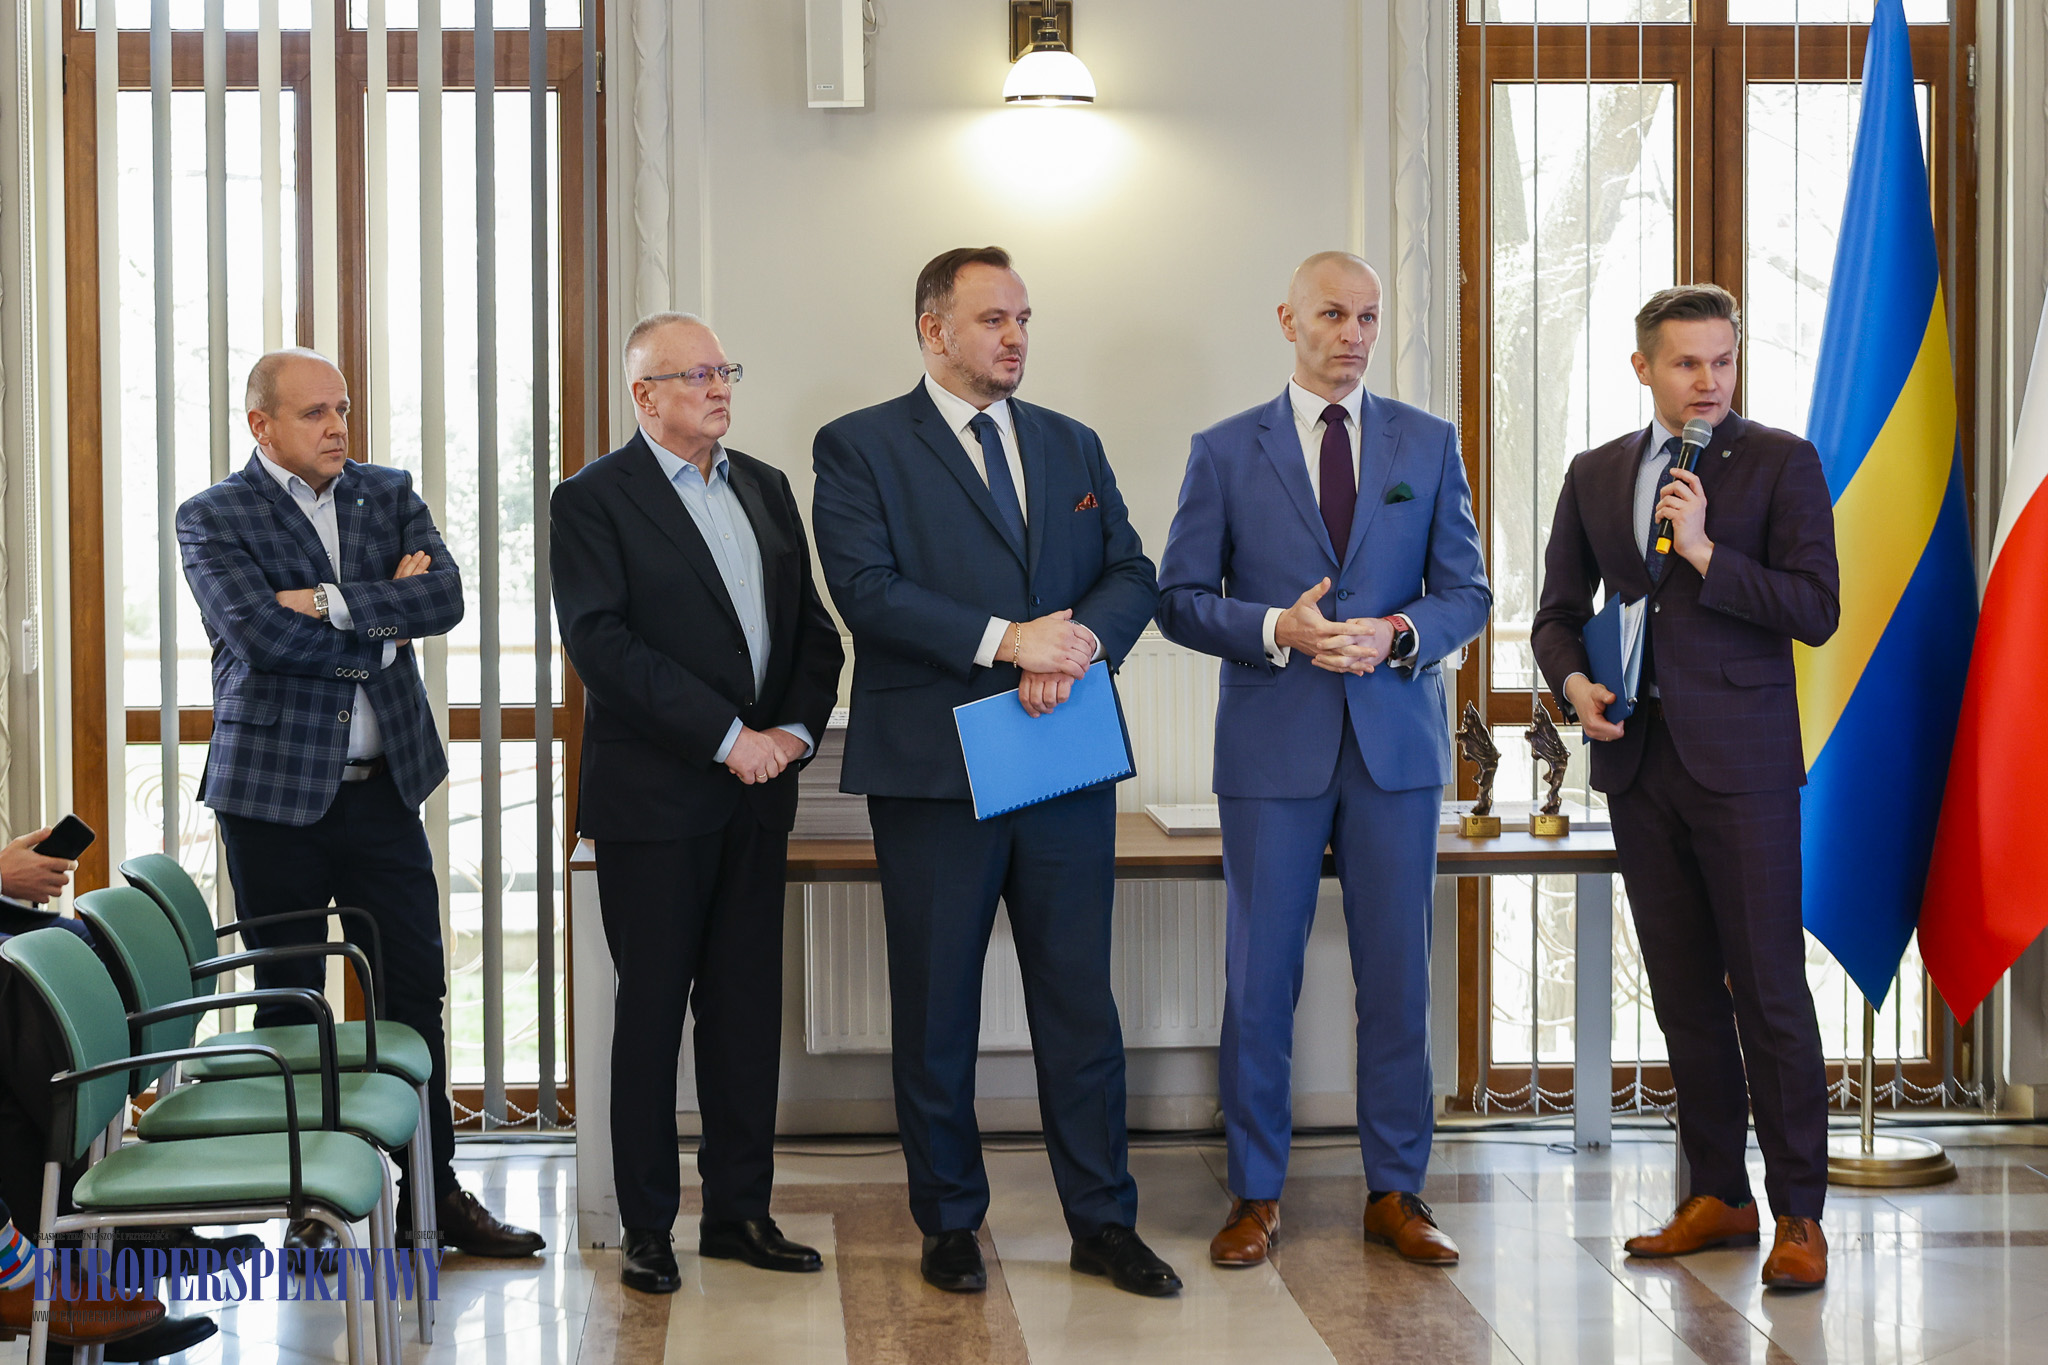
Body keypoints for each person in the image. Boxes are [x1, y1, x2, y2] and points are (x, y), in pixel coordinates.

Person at [811, 247, 1176, 1298]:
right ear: (933, 330)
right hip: (936, 773)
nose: (1014, 337)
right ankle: (948, 1222)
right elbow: (865, 589)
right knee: (937, 1009)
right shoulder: (859, 445)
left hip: (1061, 757)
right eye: (991, 320)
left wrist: (1077, 647)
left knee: (1079, 1004)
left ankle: (1103, 1221)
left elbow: (1130, 571)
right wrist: (1011, 641)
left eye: (1022, 318)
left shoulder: (1071, 441)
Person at [1155, 251, 1490, 1270]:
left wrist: (1397, 633)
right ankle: (1255, 1194)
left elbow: (1467, 594)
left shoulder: (1426, 443)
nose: (1352, 335)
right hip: (1272, 751)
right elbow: (1178, 601)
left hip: (1396, 752)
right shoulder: (1224, 450)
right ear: (1287, 318)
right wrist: (1276, 629)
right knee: (1259, 979)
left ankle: (1396, 1191)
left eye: (1368, 318)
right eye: (1333, 314)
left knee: (1397, 979)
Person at [175, 348, 544, 1261]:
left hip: (385, 792)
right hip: (271, 800)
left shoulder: (385, 492)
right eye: (314, 413)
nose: (337, 426)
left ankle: (433, 1195)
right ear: (261, 425)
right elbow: (258, 634)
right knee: (291, 1001)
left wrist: (325, 602)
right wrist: (382, 627)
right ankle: (310, 1205)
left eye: (341, 408)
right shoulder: (214, 515)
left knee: (416, 990)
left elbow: (444, 597)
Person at [1530, 284, 1839, 1292]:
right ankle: (1718, 1193)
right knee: (1682, 994)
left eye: (1723, 361)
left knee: (1768, 990)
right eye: (1686, 363)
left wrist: (1705, 551)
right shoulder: (1594, 472)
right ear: (1643, 368)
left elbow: (1815, 609)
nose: (1709, 382)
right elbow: (1555, 613)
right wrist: (1573, 684)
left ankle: (1798, 1212)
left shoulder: (1781, 462)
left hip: (1745, 770)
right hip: (1638, 764)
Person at [551, 313, 844, 1294]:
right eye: (697, 375)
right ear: (644, 395)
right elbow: (603, 645)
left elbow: (811, 631)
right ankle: (647, 1226)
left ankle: (739, 1213)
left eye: (726, 370)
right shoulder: (592, 499)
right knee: (650, 1019)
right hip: (656, 804)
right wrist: (728, 737)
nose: (720, 388)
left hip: (759, 799)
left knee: (743, 1014)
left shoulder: (763, 485)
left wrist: (791, 732)